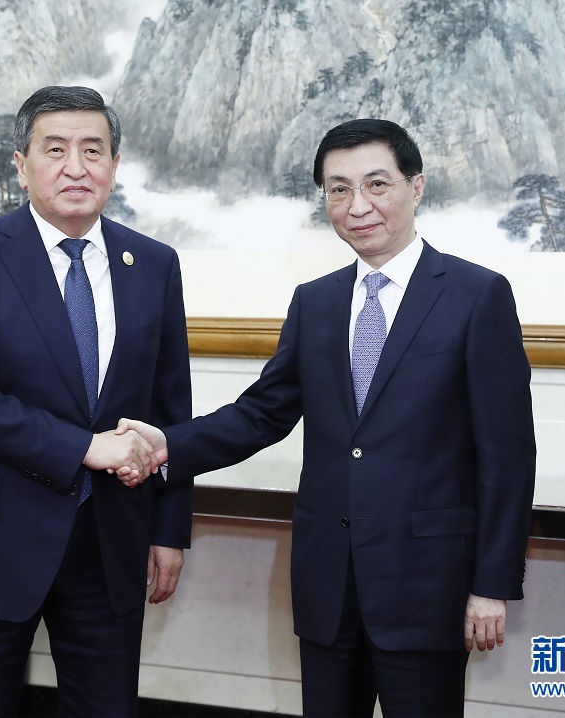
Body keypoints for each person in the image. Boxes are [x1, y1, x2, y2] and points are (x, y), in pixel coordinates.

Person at [118, 119, 536, 717]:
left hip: (428, 583)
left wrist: (491, 585)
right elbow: (261, 413)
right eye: (339, 189)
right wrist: (166, 445)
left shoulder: (477, 295)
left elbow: (508, 456)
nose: (357, 205)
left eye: (376, 184)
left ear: (416, 186)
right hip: (327, 581)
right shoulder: (315, 302)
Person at [0, 85, 192, 718]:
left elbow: (170, 405)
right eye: (55, 149)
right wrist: (85, 447)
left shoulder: (154, 264)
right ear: (21, 163)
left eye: (93, 150)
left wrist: (169, 530)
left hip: (110, 543)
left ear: (114, 165)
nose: (76, 167)